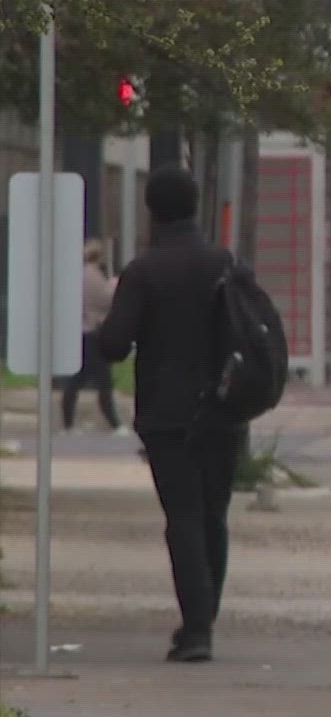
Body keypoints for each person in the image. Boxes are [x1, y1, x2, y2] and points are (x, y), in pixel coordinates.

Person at [93, 165, 248, 663]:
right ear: (195, 206)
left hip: (167, 415)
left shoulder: (144, 271)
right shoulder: (225, 263)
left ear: (152, 210)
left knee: (182, 517)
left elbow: (116, 345)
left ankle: (197, 628)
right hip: (224, 410)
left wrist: (93, 336)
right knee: (213, 516)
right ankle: (204, 619)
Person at [61, 239, 126, 435]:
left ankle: (69, 424)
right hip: (93, 332)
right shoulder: (94, 276)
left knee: (78, 379)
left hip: (82, 332)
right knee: (103, 380)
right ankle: (115, 424)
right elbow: (105, 301)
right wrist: (115, 286)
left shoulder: (80, 275)